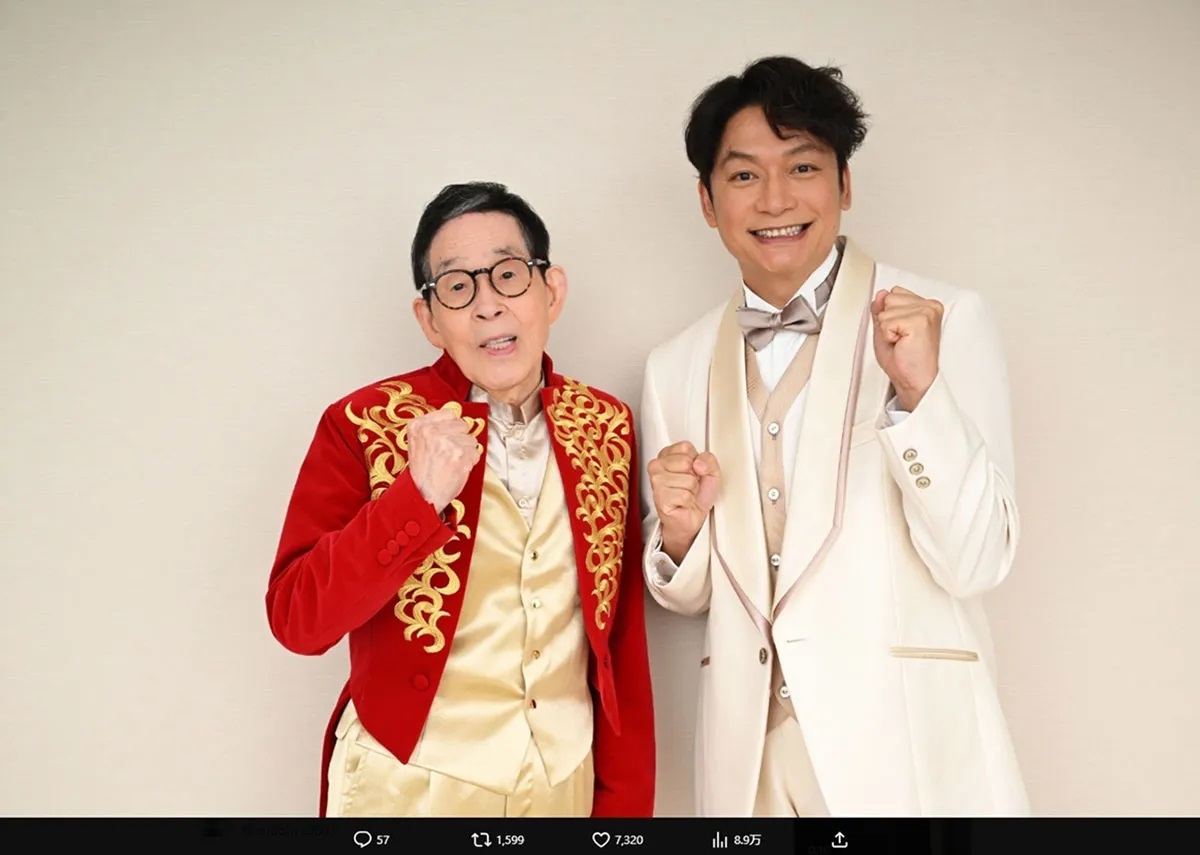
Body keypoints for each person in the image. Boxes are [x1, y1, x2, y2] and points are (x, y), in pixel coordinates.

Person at [638, 55, 1029, 816]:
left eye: (803, 166)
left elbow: (978, 560)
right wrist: (680, 536)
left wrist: (919, 396)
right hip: (747, 761)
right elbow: (695, 594)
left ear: (845, 184)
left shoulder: (946, 318)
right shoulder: (672, 365)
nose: (775, 199)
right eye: (744, 175)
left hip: (902, 749)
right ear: (707, 202)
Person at [267, 181, 655, 818]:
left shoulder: (605, 425)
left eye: (509, 274)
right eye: (456, 287)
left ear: (552, 291)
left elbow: (620, 644)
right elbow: (297, 619)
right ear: (429, 319)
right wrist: (414, 499)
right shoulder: (364, 422)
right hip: (408, 787)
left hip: (564, 783)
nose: (488, 306)